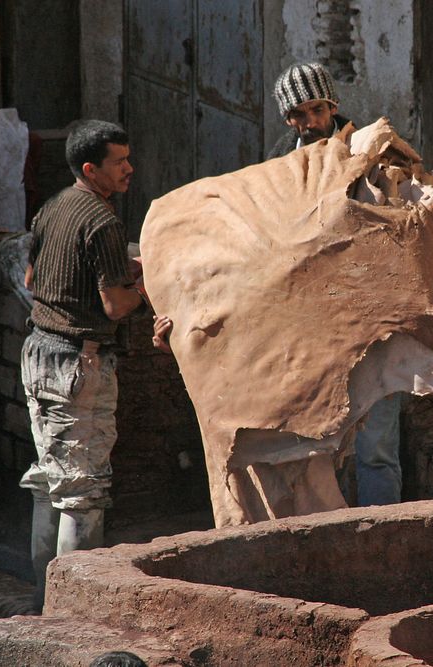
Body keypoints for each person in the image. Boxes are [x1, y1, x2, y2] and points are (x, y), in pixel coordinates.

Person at [154, 62, 403, 507]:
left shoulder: (369, 153)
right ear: (288, 119)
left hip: (371, 324)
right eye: (299, 115)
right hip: (309, 332)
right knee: (318, 449)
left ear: (333, 106)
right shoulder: (279, 161)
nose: (310, 123)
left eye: (317, 110)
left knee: (376, 447)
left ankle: (387, 536)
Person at [20, 120, 145, 610]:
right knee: (83, 494)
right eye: (120, 162)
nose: (129, 168)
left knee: (50, 480)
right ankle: (72, 610)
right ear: (91, 169)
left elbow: (33, 278)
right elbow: (116, 306)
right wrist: (144, 287)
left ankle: (41, 597)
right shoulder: (102, 220)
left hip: (37, 353)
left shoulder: (52, 207)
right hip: (80, 363)